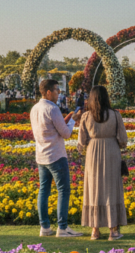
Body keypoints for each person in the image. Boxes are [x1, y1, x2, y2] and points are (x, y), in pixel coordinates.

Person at [31, 79, 83, 238]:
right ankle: (62, 227)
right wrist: (74, 118)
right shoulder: (52, 109)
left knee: (44, 190)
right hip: (56, 155)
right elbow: (66, 134)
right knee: (63, 190)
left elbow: (52, 129)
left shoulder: (35, 108)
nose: (58, 93)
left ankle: (45, 227)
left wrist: (67, 120)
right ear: (48, 92)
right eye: (56, 90)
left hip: (41, 155)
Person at [78, 85, 129, 241]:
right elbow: (123, 140)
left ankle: (95, 230)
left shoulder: (86, 116)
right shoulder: (115, 115)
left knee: (94, 190)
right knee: (111, 189)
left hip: (93, 153)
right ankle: (113, 230)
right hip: (112, 152)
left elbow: (81, 142)